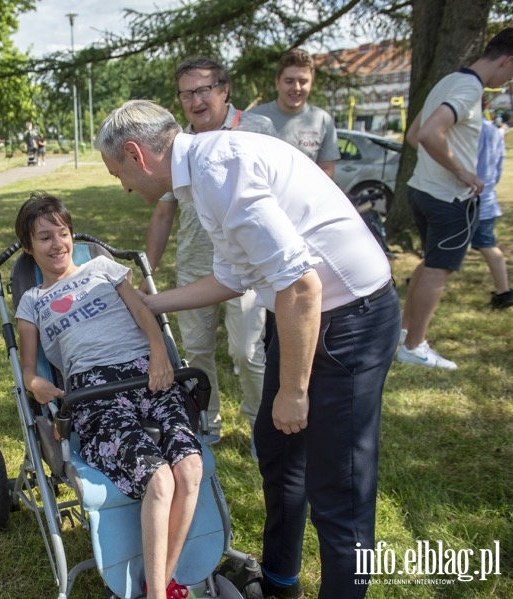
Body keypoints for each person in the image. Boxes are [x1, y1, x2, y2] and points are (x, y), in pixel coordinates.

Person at [95, 99, 400, 599]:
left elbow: (302, 285)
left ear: (135, 154)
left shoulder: (220, 170)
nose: (125, 188)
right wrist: (151, 303)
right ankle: (281, 582)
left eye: (118, 175)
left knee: (339, 493)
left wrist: (294, 390)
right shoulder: (202, 175)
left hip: (350, 323)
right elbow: (231, 277)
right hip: (306, 319)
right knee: (281, 455)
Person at [14, 192, 203, 599]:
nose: (58, 244)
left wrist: (158, 351)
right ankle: (159, 594)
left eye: (63, 233)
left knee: (189, 469)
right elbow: (29, 369)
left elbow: (141, 312)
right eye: (44, 237)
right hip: (95, 392)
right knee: (160, 477)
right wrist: (35, 383)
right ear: (29, 247)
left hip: (147, 375)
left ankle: (157, 586)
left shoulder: (101, 266)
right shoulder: (32, 301)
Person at [145, 56, 276, 455]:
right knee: (197, 353)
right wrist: (147, 266)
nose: (196, 101)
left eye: (204, 90)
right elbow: (164, 210)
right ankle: (208, 422)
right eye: (187, 94)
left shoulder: (257, 129)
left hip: (250, 264)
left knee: (248, 350)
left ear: (224, 89)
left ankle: (260, 427)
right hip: (196, 265)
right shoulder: (177, 143)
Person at [398, 28, 513, 368]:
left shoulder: (449, 80)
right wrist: (461, 171)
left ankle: (404, 334)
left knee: (429, 264)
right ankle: (414, 346)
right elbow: (429, 133)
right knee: (439, 269)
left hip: (422, 190)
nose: (509, 81)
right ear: (508, 60)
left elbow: (413, 135)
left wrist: (441, 165)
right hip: (449, 199)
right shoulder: (468, 87)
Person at [250, 48, 340, 178]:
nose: (296, 87)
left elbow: (327, 171)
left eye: (303, 82)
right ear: (277, 82)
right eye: (289, 81)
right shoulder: (254, 117)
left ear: (311, 84)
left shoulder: (323, 120)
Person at [474, 107, 512, 309]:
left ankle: (424, 278)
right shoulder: (495, 132)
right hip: (487, 195)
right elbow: (498, 166)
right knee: (488, 244)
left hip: (468, 197)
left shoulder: (468, 131)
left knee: (443, 243)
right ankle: (503, 291)